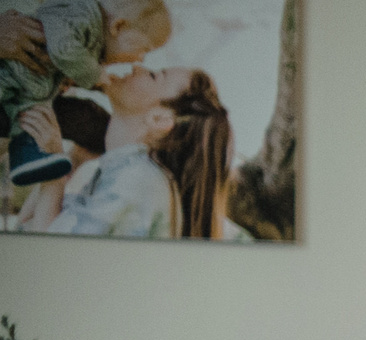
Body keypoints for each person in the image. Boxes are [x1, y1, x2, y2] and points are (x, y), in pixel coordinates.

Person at [13, 61, 225, 238]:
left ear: (159, 119)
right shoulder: (126, 173)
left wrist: (54, 167)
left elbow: (50, 251)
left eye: (153, 76)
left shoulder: (136, 179)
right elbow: (26, 225)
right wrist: (71, 161)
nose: (137, 67)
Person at [0, 0, 166, 186]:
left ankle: (27, 157)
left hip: (28, 89)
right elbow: (63, 50)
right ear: (118, 26)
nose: (140, 60)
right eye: (144, 49)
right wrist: (93, 74)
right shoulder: (82, 18)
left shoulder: (93, 40)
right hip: (11, 74)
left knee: (30, 119)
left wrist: (88, 79)